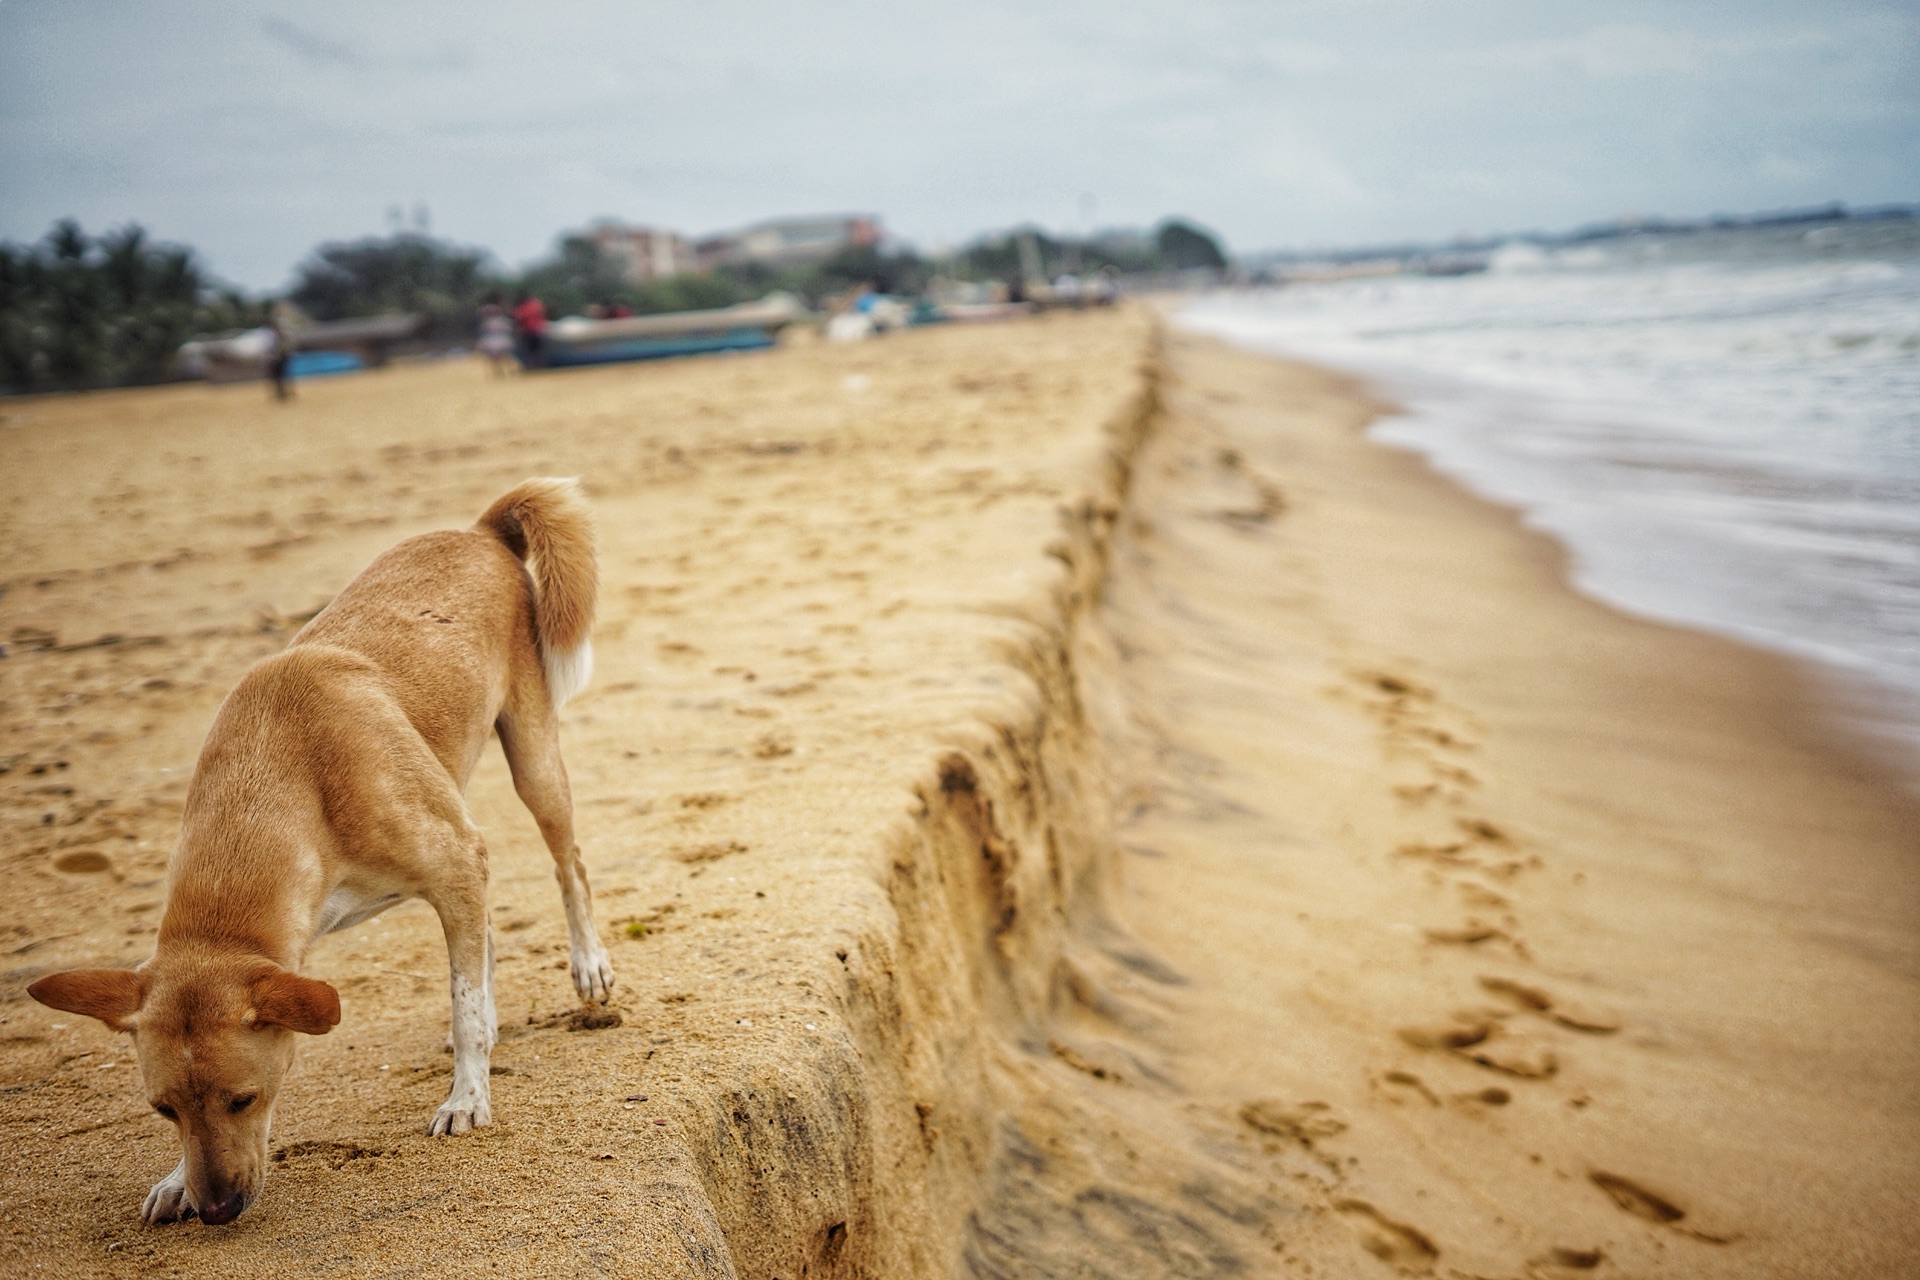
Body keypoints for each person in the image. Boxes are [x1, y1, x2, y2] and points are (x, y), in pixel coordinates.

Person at [477, 295, 513, 376]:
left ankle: (498, 371)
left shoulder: (487, 313)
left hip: (494, 336)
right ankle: (503, 371)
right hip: (495, 336)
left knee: (497, 357)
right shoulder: (496, 312)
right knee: (501, 356)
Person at [512, 293, 549, 369]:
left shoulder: (522, 308)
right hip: (538, 330)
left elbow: (518, 318)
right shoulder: (537, 305)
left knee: (529, 351)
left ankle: (531, 366)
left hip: (529, 332)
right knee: (539, 351)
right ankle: (540, 366)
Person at [265, 319, 293, 401]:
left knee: (280, 377)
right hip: (277, 359)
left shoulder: (276, 336)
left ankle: (283, 393)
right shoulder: (274, 335)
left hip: (279, 359)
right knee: (279, 377)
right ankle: (281, 393)